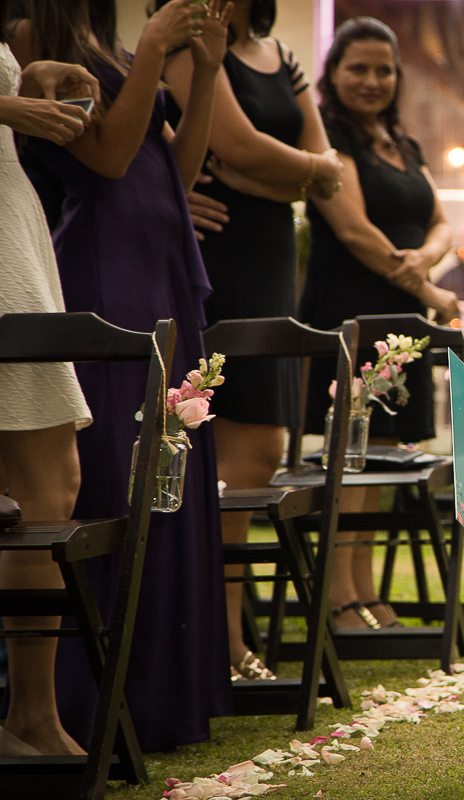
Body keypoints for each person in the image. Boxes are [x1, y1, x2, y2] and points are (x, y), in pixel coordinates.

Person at [11, 0, 234, 751]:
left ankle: (165, 690)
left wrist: (203, 73)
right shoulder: (36, 39)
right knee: (114, 474)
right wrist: (150, 51)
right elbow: (104, 159)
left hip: (160, 262)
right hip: (104, 268)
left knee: (168, 468)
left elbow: (181, 166)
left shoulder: (104, 43)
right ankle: (93, 693)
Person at [154, 0, 343, 681]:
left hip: (268, 256)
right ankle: (221, 640)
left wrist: (300, 171)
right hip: (220, 250)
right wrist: (302, 173)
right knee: (230, 445)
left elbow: (321, 158)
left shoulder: (280, 56)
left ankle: (225, 631)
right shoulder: (189, 45)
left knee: (261, 444)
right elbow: (235, 148)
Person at [298, 17, 458, 629]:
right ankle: (338, 597)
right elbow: (357, 233)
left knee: (387, 453)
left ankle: (365, 589)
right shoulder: (329, 146)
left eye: (383, 69)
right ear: (332, 74)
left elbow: (440, 220)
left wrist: (424, 259)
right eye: (357, 68)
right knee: (353, 457)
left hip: (402, 318)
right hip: (354, 314)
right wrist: (430, 289)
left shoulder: (404, 144)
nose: (371, 80)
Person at [0, 27, 97, 757]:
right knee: (42, 485)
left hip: (15, 232)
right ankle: (28, 715)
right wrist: (10, 106)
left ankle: (31, 714)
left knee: (46, 488)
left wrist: (26, 87)